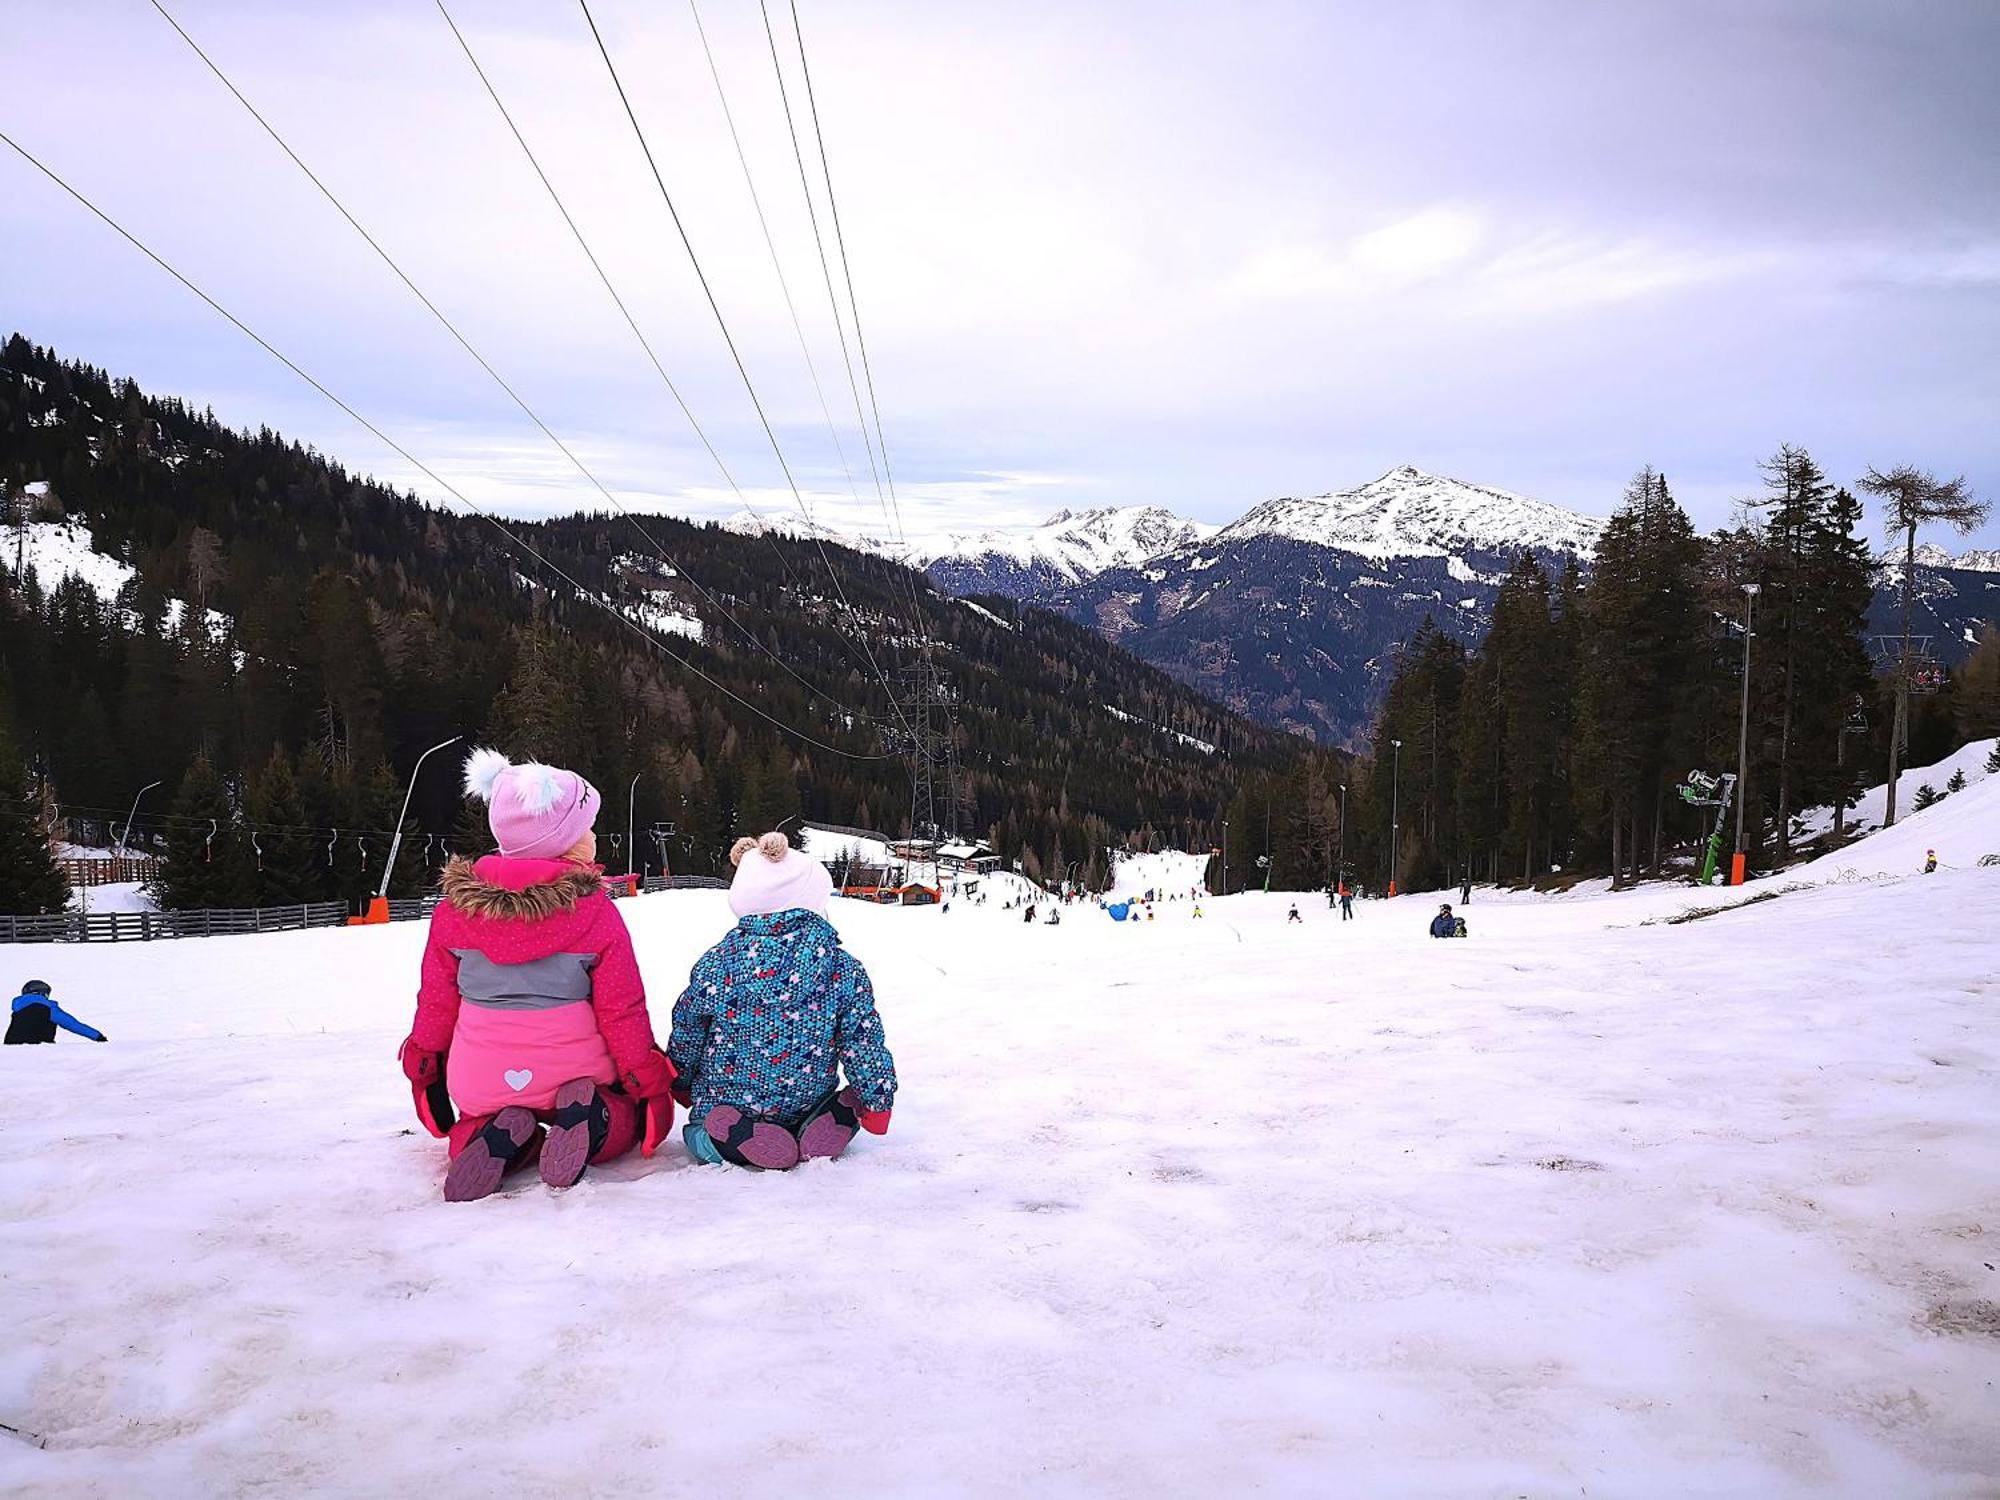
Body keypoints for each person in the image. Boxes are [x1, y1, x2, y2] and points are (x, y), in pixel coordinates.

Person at [400, 750, 675, 1203]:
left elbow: (436, 1001)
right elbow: (620, 1010)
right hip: (574, 1070)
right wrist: (645, 1077)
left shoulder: (454, 912)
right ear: (564, 843)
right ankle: (589, 1120)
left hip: (482, 1075)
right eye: (586, 829)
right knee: (617, 1120)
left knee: (473, 1123)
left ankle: (494, 1138)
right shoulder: (594, 913)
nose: (593, 837)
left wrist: (425, 1065)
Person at [669, 832, 896, 1171]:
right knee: (834, 1105)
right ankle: (826, 1122)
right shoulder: (841, 967)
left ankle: (728, 1139)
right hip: (805, 1101)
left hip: (727, 1102)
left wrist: (680, 1081)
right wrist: (878, 1102)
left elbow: (689, 1029)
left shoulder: (717, 964)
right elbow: (862, 1041)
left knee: (700, 1133)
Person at [5, 979, 107, 1045]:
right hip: (39, 1049)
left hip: (12, 1049)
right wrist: (98, 1036)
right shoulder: (48, 1007)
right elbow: (72, 1024)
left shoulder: (18, 1009)